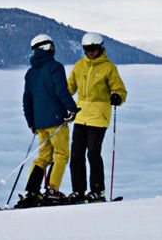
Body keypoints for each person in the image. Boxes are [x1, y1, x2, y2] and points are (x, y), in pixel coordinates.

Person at [18, 34, 79, 207]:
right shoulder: (55, 67)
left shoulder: (30, 73)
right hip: (56, 120)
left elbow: (27, 100)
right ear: (47, 47)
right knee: (61, 154)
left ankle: (32, 190)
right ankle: (52, 190)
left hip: (39, 123)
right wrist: (72, 109)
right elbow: (62, 91)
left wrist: (31, 122)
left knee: (43, 157)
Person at [67, 32, 127, 202]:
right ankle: (78, 191)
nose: (90, 52)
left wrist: (118, 97)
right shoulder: (79, 66)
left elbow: (120, 90)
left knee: (93, 154)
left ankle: (97, 190)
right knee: (76, 155)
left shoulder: (109, 68)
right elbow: (69, 87)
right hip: (80, 116)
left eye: (93, 49)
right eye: (87, 49)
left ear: (100, 47)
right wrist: (57, 99)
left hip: (99, 117)